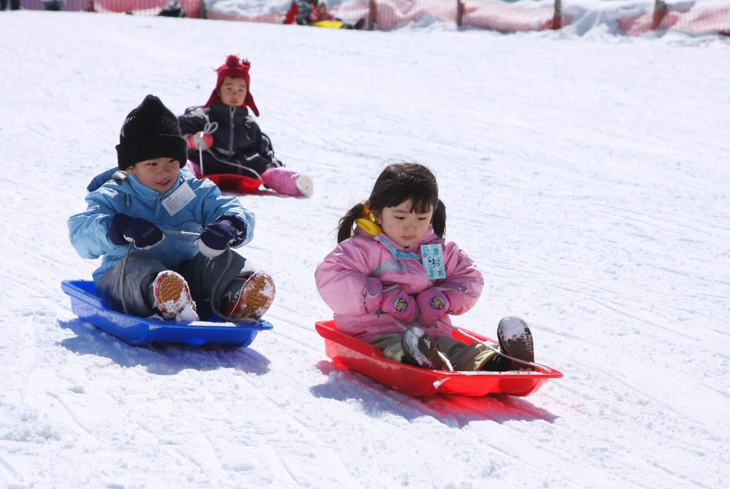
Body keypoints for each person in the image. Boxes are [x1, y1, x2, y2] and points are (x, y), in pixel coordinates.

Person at [69, 95, 276, 322]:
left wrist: (230, 224)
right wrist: (119, 228)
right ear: (131, 168)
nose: (164, 171)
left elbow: (229, 206)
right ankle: (162, 298)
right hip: (125, 281)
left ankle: (238, 293)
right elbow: (81, 234)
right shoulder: (115, 194)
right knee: (138, 266)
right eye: (152, 164)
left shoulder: (193, 190)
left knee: (215, 259)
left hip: (185, 276)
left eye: (171, 162)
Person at [314, 163, 535, 371]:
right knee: (393, 346)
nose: (411, 227)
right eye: (400, 217)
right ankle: (414, 357)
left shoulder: (435, 251)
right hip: (373, 332)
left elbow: (470, 278)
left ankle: (500, 360)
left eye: (422, 218)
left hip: (432, 333)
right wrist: (380, 297)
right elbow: (331, 277)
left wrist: (443, 298)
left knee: (454, 349)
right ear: (378, 214)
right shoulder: (362, 249)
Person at [178, 55, 313, 198]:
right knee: (187, 164)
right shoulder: (204, 117)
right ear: (218, 91)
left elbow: (264, 149)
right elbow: (178, 128)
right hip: (206, 164)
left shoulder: (249, 125)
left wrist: (274, 166)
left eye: (241, 90)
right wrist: (191, 141)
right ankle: (181, 183)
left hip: (241, 166)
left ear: (246, 94)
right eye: (229, 88)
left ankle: (294, 182)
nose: (235, 94)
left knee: (265, 168)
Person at [294, 0, 365, 29]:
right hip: (319, 23)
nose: (323, 10)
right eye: (322, 8)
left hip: (329, 23)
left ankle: (353, 26)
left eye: (324, 9)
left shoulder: (326, 14)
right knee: (302, 18)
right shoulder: (315, 13)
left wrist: (335, 19)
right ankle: (302, 22)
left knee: (340, 22)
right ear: (319, 9)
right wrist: (312, 19)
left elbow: (331, 17)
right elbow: (312, 17)